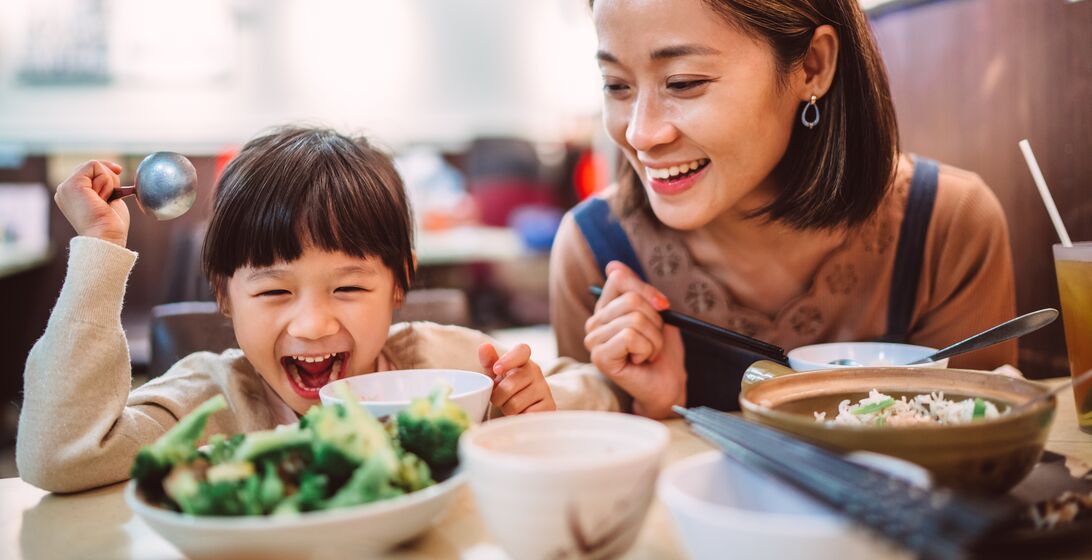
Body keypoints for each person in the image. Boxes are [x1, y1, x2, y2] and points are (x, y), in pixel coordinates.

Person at [18, 127, 621, 493]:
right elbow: (59, 457)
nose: (312, 324)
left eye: (350, 289)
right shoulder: (212, 402)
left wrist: (537, 408)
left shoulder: (450, 369)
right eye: (275, 292)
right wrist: (99, 249)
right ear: (225, 295)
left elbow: (593, 391)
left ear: (398, 286)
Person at [549, 0, 1016, 419]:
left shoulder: (947, 225)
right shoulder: (594, 251)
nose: (640, 134)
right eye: (616, 86)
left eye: (683, 83)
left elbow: (982, 446)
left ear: (812, 66)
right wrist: (650, 410)